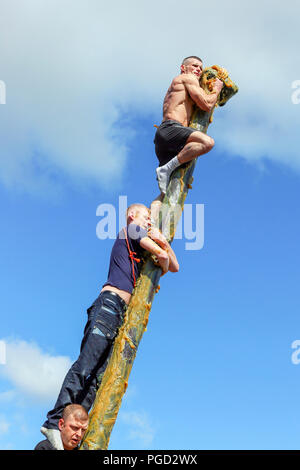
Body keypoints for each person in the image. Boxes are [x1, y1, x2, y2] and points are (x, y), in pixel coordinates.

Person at [40, 203, 179, 449]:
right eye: (146, 217)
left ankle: (71, 436)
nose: (149, 221)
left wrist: (162, 245)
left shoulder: (141, 241)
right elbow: (164, 259)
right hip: (109, 306)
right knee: (86, 367)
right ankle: (53, 422)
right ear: (131, 216)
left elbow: (173, 266)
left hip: (117, 314)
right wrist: (160, 243)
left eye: (150, 218)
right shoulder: (131, 229)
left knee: (96, 380)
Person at [154, 55, 224, 195]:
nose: (198, 69)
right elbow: (206, 104)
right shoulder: (187, 78)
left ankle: (153, 216)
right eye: (194, 65)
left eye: (200, 68)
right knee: (207, 142)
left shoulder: (182, 86)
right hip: (171, 129)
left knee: (168, 194)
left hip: (167, 139)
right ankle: (166, 168)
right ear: (183, 68)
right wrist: (216, 89)